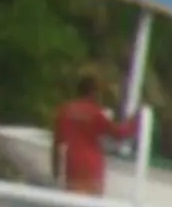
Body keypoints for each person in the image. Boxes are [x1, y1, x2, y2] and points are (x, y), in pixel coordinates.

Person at [52, 68, 134, 196]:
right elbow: (120, 134)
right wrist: (135, 122)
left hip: (73, 167)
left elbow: (57, 144)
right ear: (93, 92)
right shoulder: (95, 113)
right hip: (93, 169)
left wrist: (56, 172)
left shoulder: (65, 111)